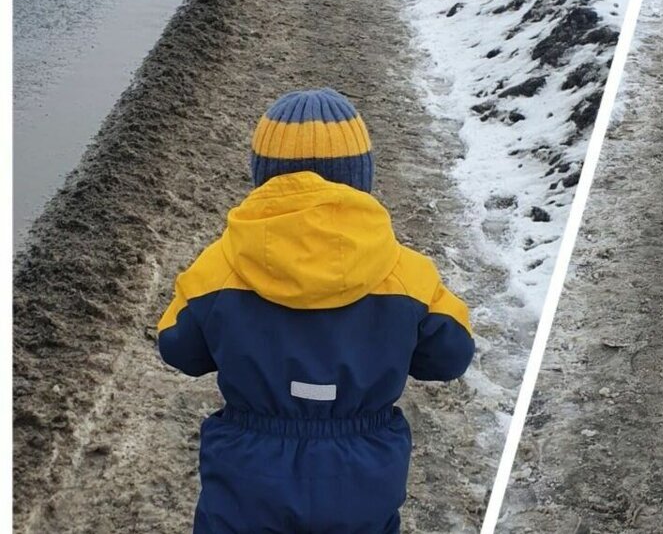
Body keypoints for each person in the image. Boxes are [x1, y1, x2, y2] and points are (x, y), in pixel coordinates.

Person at [156, 88, 474, 533]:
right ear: (360, 179)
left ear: (263, 177)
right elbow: (451, 355)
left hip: (250, 472)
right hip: (362, 473)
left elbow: (177, 347)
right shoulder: (407, 273)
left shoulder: (221, 266)